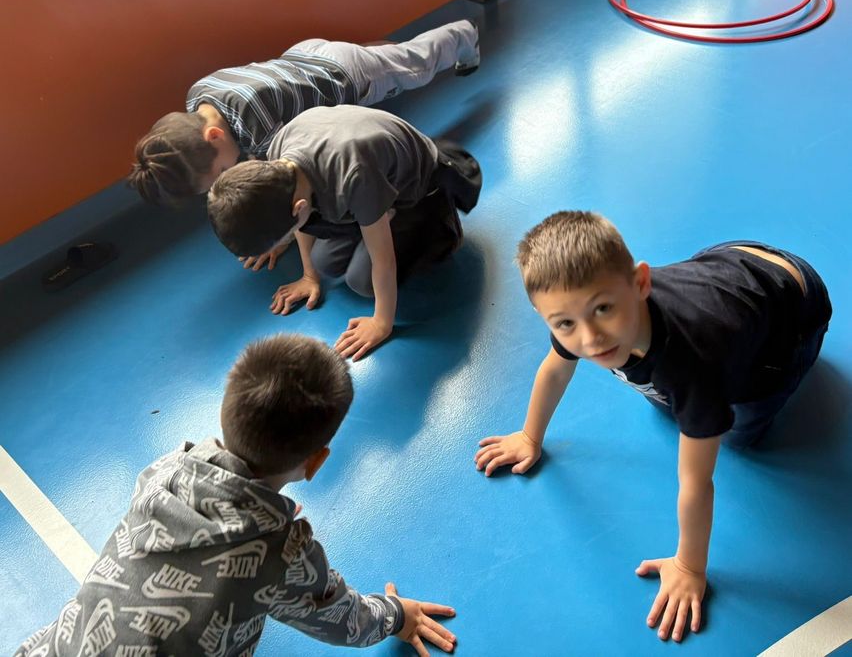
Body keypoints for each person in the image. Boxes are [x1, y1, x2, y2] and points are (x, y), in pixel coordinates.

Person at [474, 211, 831, 644]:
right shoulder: (576, 305)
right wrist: (530, 435)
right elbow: (556, 367)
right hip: (731, 261)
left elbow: (696, 482)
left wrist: (690, 567)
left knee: (739, 435)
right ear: (546, 315)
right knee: (669, 399)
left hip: (794, 306)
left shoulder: (692, 362)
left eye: (603, 309)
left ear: (641, 283)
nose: (589, 339)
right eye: (565, 323)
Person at [15, 334, 457, 657]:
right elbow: (341, 620)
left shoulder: (161, 472)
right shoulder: (281, 554)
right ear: (316, 463)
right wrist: (396, 614)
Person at [207, 105, 480, 360]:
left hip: (421, 190)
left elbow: (383, 262)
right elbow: (302, 223)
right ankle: (376, 217)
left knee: (362, 282)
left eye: (282, 239)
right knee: (324, 262)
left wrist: (381, 323)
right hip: (366, 186)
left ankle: (440, 227)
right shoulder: (279, 160)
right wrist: (309, 275)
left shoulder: (354, 176)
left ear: (299, 207)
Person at [128, 19, 480, 203]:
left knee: (415, 67)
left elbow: (286, 180)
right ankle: (384, 53)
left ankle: (463, 36)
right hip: (302, 57)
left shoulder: (256, 130)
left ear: (214, 135)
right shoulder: (198, 95)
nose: (228, 172)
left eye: (222, 169)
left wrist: (276, 237)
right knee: (387, 59)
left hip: (345, 77)